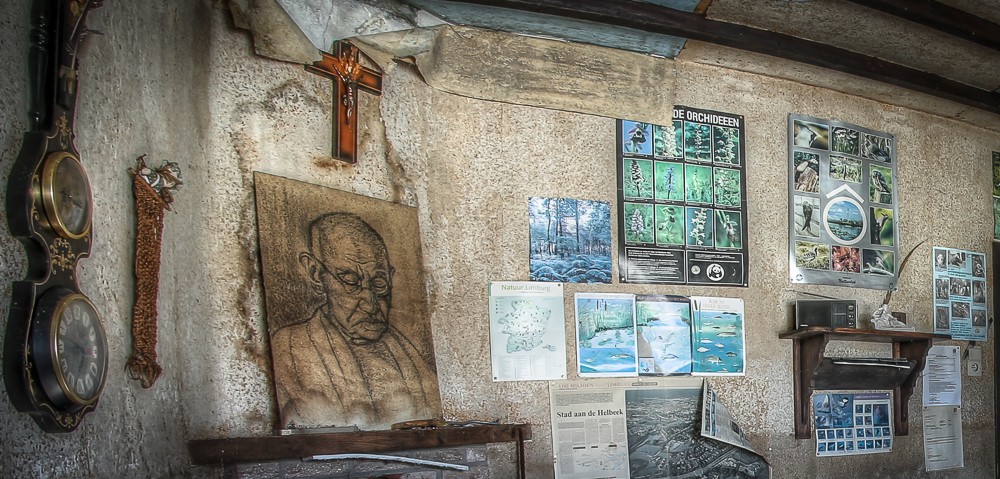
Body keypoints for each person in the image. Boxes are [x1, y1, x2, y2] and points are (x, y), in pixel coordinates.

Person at [270, 212, 440, 429]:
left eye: (379, 284)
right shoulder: (292, 347)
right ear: (315, 273)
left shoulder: (406, 352)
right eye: (351, 281)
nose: (370, 304)